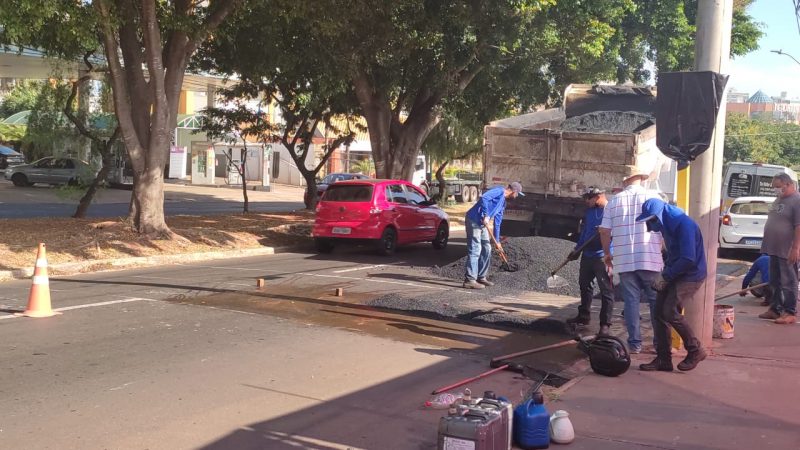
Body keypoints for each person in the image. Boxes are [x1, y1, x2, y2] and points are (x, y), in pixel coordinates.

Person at [636, 198, 708, 372]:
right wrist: (665, 270)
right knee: (659, 313)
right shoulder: (668, 223)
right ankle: (663, 360)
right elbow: (674, 254)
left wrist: (666, 276)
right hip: (675, 272)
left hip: (690, 275)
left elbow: (688, 259)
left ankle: (695, 349)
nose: (649, 227)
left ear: (659, 216)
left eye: (651, 221)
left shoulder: (684, 225)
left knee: (669, 311)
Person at [599, 169, 663, 354]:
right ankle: (659, 344)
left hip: (625, 259)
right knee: (655, 302)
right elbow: (664, 225)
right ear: (642, 179)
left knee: (631, 302)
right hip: (650, 258)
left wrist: (606, 254)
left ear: (625, 181)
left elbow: (604, 231)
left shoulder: (614, 201)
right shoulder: (654, 197)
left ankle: (635, 344)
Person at [566, 187, 613, 335]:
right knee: (584, 285)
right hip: (588, 254)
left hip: (602, 257)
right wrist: (577, 249)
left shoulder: (611, 211)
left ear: (598, 196)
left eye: (589, 198)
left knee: (606, 291)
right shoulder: (591, 211)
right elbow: (585, 232)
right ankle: (583, 316)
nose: (586, 201)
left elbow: (617, 233)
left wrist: (605, 232)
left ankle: (605, 324)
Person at [463, 182, 524, 289]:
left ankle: (481, 277)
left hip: (482, 224)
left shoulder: (503, 203)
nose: (517, 196)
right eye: (517, 194)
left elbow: (497, 222)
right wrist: (486, 215)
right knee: (476, 249)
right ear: (513, 191)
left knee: (487, 248)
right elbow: (484, 198)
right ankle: (470, 279)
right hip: (473, 220)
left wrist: (498, 241)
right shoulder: (499, 191)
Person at [758, 173, 800, 324]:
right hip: (774, 248)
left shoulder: (797, 201)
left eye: (778, 187)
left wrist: (795, 248)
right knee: (775, 280)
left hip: (787, 249)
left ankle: (790, 312)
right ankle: (775, 309)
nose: (776, 190)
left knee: (789, 281)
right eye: (774, 187)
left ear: (788, 184)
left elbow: (798, 226)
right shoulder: (779, 199)